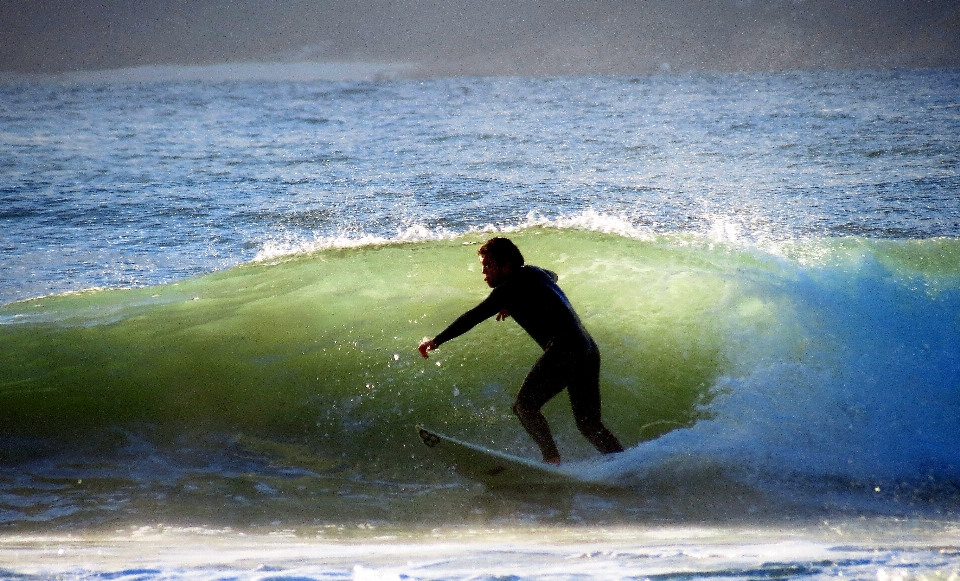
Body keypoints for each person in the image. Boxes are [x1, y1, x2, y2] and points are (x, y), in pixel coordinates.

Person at [418, 237, 623, 464]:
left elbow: (474, 316)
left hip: (565, 350)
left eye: (487, 265)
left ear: (506, 266)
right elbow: (553, 275)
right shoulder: (535, 273)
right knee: (589, 424)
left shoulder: (509, 287)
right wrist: (517, 301)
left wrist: (436, 341)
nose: (483, 272)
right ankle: (625, 463)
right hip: (587, 349)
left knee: (524, 406)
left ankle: (551, 459)